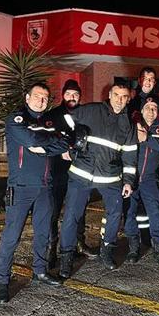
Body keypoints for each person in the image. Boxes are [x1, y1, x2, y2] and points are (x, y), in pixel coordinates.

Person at [0, 82, 68, 304]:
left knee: (43, 232)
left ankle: (40, 271)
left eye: (45, 98)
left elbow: (63, 143)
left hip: (46, 187)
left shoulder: (49, 121)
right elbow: (31, 140)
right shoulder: (17, 120)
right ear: (27, 98)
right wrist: (49, 143)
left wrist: (46, 145)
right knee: (11, 236)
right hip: (21, 188)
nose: (41, 101)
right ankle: (1, 282)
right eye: (37, 96)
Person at [59, 81, 137, 274]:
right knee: (71, 216)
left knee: (115, 213)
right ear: (109, 94)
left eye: (124, 97)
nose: (120, 100)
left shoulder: (128, 123)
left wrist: (128, 181)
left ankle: (107, 250)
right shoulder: (91, 110)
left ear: (128, 99)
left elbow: (129, 153)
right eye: (117, 95)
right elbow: (64, 120)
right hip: (81, 173)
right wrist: (67, 145)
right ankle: (66, 258)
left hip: (110, 177)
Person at [43, 80, 95, 270]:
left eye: (76, 94)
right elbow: (46, 140)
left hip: (79, 169)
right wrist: (61, 150)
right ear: (63, 95)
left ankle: (79, 243)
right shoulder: (52, 116)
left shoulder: (85, 114)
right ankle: (51, 249)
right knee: (54, 210)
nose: (72, 97)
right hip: (57, 170)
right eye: (69, 94)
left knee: (78, 210)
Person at [123, 96, 159, 265]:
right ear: (142, 110)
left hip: (150, 180)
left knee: (155, 213)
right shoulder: (133, 126)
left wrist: (147, 139)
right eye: (148, 108)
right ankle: (133, 248)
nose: (151, 112)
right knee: (129, 213)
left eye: (154, 109)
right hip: (131, 178)